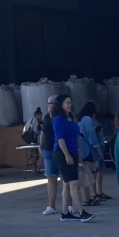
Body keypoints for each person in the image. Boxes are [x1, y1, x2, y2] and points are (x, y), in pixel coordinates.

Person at [52, 94, 94, 222]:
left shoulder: (70, 118)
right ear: (60, 105)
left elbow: (77, 136)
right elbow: (60, 139)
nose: (69, 105)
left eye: (70, 102)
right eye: (67, 103)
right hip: (62, 153)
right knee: (74, 183)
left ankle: (65, 213)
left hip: (73, 153)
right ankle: (82, 212)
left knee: (67, 184)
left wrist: (79, 153)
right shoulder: (59, 119)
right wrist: (67, 155)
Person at [77, 101, 107, 206]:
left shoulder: (80, 119)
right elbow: (91, 135)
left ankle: (89, 196)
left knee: (85, 173)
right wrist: (98, 149)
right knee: (89, 172)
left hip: (82, 148)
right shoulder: (87, 119)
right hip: (88, 150)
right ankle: (89, 197)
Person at [39, 96, 60, 215]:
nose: (48, 106)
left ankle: (69, 205)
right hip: (48, 150)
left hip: (60, 150)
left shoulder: (61, 117)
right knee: (51, 178)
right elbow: (43, 132)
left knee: (66, 179)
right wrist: (40, 145)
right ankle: (51, 206)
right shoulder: (46, 117)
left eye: (50, 103)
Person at [22, 107, 42, 174]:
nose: (41, 117)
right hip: (33, 139)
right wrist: (40, 132)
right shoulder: (35, 120)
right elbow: (36, 131)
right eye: (40, 116)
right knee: (35, 154)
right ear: (37, 115)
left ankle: (30, 158)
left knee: (32, 153)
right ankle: (35, 170)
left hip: (27, 139)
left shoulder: (30, 119)